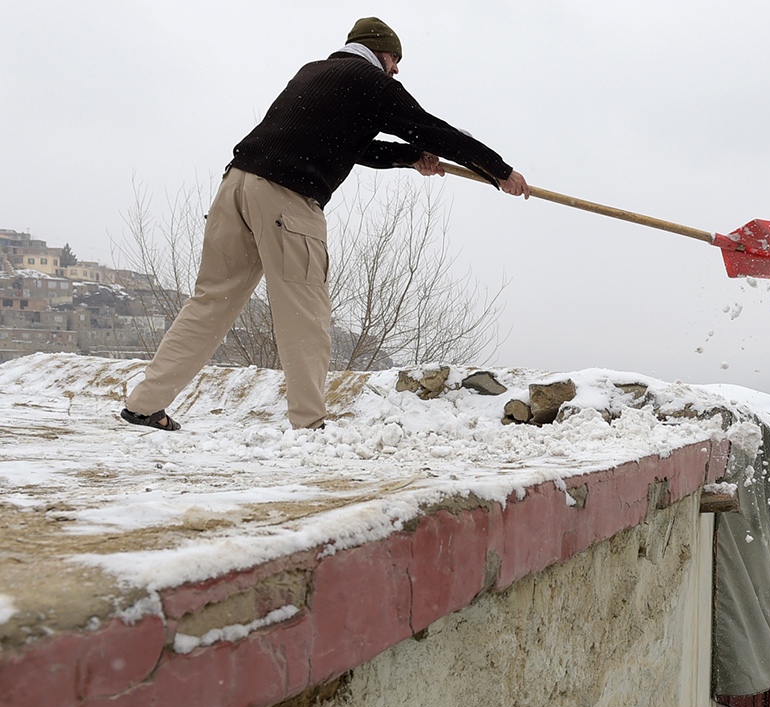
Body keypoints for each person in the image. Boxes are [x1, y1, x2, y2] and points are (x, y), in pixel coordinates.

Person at [121, 17, 528, 432]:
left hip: (236, 187)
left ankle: (144, 405)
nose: (397, 69)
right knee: (305, 314)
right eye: (395, 58)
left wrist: (409, 158)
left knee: (210, 302)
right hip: (287, 198)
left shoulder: (314, 72)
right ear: (379, 53)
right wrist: (498, 171)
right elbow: (433, 130)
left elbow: (351, 145)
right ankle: (310, 423)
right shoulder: (374, 84)